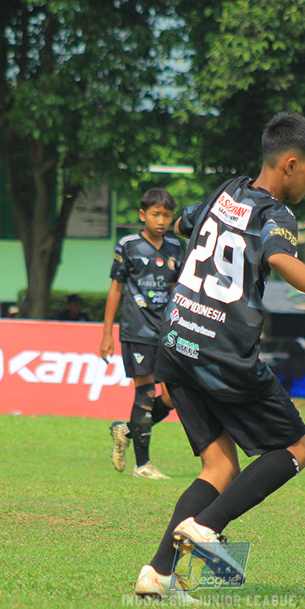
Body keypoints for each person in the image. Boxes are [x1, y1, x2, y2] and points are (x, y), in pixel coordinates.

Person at [133, 112, 305, 601]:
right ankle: (205, 526)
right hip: (223, 351)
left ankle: (158, 573)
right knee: (298, 448)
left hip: (177, 341)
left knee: (219, 468)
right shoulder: (276, 213)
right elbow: (278, 256)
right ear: (290, 164)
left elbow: (186, 226)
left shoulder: (226, 190)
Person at [100, 188, 184, 480]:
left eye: (166, 214)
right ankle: (143, 465)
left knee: (172, 398)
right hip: (137, 330)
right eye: (155, 214)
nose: (161, 220)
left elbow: (177, 289)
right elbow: (116, 288)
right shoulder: (128, 245)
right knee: (146, 393)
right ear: (142, 215)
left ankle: (125, 430)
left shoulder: (176, 247)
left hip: (167, 332)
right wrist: (107, 333)